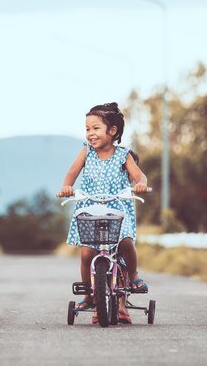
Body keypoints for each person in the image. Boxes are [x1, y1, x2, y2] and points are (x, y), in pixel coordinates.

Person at [57, 102, 149, 325]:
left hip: (117, 209)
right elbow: (71, 174)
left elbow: (140, 177)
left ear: (113, 131)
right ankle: (89, 293)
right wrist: (67, 187)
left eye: (96, 128)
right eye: (87, 128)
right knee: (87, 253)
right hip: (89, 209)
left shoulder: (123, 155)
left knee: (125, 242)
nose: (90, 133)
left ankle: (133, 274)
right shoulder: (86, 152)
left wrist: (140, 185)